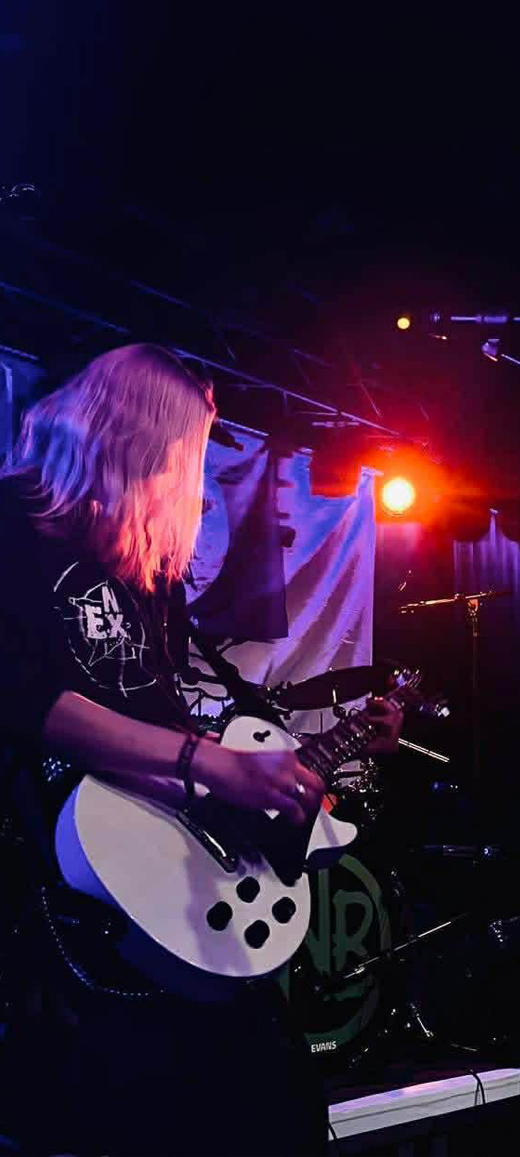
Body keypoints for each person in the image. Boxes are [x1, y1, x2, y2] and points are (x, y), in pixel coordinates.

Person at [0, 344, 401, 1156]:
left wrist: (273, 772)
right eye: (184, 449)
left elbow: (160, 720)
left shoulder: (146, 573)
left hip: (158, 878)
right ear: (135, 435)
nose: (189, 478)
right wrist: (206, 763)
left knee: (275, 1105)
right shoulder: (14, 522)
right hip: (52, 888)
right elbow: (22, 698)